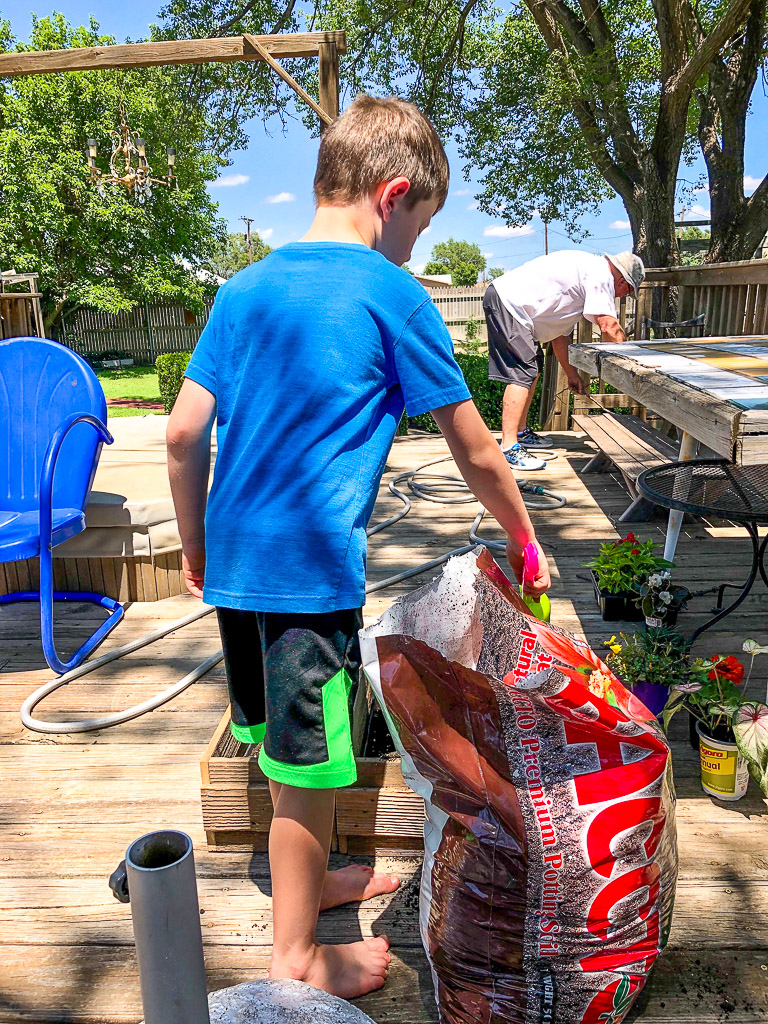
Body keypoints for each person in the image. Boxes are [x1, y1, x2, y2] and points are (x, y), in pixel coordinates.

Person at [166, 95, 551, 1002]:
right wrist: (527, 539)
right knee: (303, 772)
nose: (414, 246)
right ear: (394, 193)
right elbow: (473, 445)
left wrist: (194, 547)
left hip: (236, 569)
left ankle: (324, 873)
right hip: (307, 579)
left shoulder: (242, 289)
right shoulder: (389, 291)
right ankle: (296, 958)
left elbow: (184, 436)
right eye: (419, 226)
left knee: (278, 743)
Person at [483, 250, 645, 470]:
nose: (622, 296)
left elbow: (561, 336)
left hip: (510, 303)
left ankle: (520, 433)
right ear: (621, 280)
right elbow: (609, 327)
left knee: (533, 366)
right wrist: (632, 365)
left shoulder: (585, 279)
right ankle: (509, 447)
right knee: (523, 370)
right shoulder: (600, 275)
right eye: (627, 291)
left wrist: (571, 374)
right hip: (509, 303)